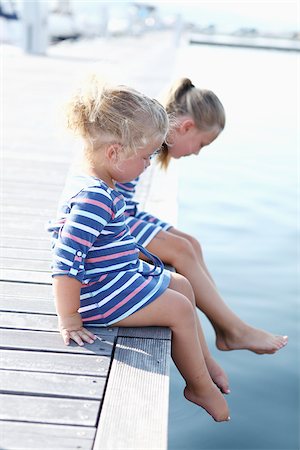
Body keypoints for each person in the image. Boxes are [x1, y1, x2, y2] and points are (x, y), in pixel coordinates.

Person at [48, 76, 230, 422]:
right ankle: (199, 387)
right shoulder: (94, 197)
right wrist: (69, 317)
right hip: (95, 297)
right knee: (177, 308)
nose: (148, 165)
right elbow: (66, 259)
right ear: (115, 152)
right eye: (146, 157)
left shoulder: (102, 183)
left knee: (182, 285)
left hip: (110, 277)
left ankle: (205, 364)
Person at [115, 78, 288, 355]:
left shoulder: (153, 131)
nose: (196, 152)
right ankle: (234, 330)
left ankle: (224, 327)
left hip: (121, 212)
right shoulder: (150, 135)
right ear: (186, 127)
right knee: (181, 250)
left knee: (191, 243)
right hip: (108, 221)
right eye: (201, 145)